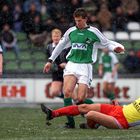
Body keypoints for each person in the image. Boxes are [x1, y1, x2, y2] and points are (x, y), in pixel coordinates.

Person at [43, 8, 125, 128]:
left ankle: (99, 116)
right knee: (67, 93)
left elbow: (107, 43)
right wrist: (50, 60)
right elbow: (60, 46)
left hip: (85, 67)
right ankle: (70, 123)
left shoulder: (94, 32)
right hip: (72, 64)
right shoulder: (71, 31)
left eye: (80, 21)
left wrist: (116, 48)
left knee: (80, 99)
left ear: (86, 19)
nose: (77, 23)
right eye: (76, 21)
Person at [41, 97, 140, 129]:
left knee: (90, 114)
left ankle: (91, 125)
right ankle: (53, 114)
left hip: (120, 121)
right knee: (84, 107)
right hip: (119, 109)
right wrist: (118, 106)